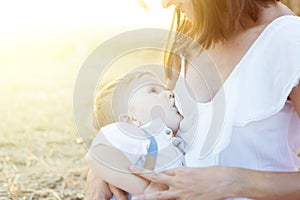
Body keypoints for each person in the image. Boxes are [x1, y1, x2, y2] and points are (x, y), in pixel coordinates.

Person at [89, 0, 300, 199]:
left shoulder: (289, 41)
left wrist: (234, 181)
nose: (165, 4)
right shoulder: (191, 36)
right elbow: (156, 127)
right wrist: (103, 168)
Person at [85, 70, 196, 199]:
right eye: (153, 91)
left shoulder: (169, 141)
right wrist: (144, 189)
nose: (169, 93)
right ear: (130, 120)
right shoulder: (138, 134)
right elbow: (98, 155)